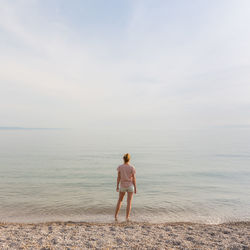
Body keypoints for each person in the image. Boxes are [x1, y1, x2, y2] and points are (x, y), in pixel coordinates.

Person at [115, 153, 136, 222]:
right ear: (129, 159)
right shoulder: (132, 167)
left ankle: (115, 216)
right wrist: (135, 188)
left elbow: (118, 177)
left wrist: (117, 186)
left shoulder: (120, 167)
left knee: (120, 201)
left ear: (123, 159)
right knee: (129, 202)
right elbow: (134, 178)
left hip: (122, 186)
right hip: (130, 186)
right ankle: (127, 217)